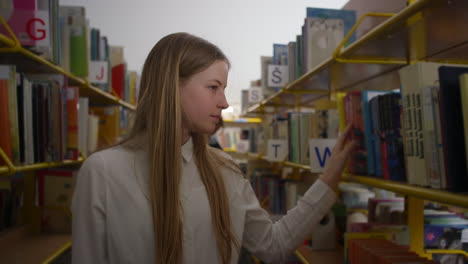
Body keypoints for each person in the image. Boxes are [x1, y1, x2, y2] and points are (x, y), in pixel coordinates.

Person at [72, 32, 356, 264]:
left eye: (224, 89)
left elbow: (274, 245)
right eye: (213, 87)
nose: (223, 102)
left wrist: (328, 180)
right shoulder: (102, 173)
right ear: (172, 86)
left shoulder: (225, 170)